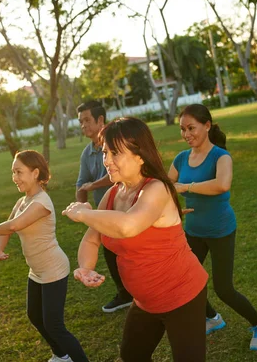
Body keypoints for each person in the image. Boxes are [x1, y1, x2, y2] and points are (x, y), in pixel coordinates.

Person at [63, 117, 209, 362]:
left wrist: (83, 213)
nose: (106, 161)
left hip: (182, 295)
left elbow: (128, 227)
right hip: (144, 301)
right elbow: (92, 239)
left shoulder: (156, 189)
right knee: (131, 357)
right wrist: (85, 267)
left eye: (115, 153)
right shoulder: (112, 194)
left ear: (140, 155)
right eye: (105, 153)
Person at [167, 104, 257, 351]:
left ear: (207, 125)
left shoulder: (221, 157)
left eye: (191, 127)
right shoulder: (181, 158)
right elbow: (165, 187)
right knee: (184, 280)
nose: (186, 134)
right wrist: (171, 204)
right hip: (193, 231)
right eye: (183, 129)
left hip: (220, 230)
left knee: (224, 289)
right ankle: (213, 318)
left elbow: (222, 185)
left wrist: (186, 187)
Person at [0, 150, 88, 362]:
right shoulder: (22, 202)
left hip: (53, 269)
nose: (15, 178)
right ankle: (61, 355)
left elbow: (16, 225)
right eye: (13, 173)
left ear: (35, 173)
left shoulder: (41, 202)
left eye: (19, 172)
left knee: (54, 325)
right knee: (35, 316)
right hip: (37, 270)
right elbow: (9, 226)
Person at [75, 100, 132, 313]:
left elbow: (116, 175)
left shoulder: (118, 143)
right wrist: (81, 205)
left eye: (87, 120)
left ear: (101, 120)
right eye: (80, 122)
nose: (83, 126)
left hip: (126, 209)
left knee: (132, 251)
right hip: (103, 212)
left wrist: (91, 185)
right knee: (109, 251)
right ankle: (125, 293)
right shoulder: (86, 153)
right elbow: (81, 184)